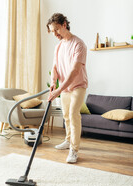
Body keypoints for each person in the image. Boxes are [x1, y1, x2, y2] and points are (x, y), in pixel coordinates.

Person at [47, 13, 88, 163]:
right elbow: (55, 67)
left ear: (64, 24)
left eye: (57, 29)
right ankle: (68, 140)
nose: (55, 34)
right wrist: (53, 83)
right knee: (66, 116)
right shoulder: (58, 47)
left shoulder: (79, 44)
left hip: (77, 85)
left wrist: (58, 90)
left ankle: (74, 150)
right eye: (53, 32)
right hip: (64, 88)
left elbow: (74, 71)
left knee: (73, 114)